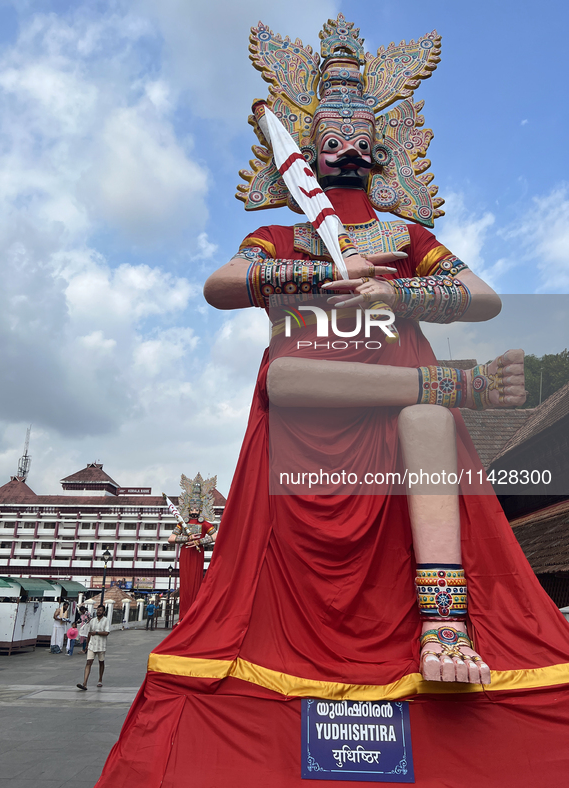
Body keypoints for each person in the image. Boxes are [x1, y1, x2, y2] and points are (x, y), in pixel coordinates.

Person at [97, 15, 569, 786]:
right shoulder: (283, 238)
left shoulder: (405, 234)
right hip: (308, 408)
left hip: (396, 412)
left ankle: (444, 626)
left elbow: (477, 296)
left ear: (381, 146)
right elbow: (219, 286)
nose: (343, 149)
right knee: (290, 384)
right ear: (308, 145)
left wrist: (396, 286)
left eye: (357, 135)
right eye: (328, 135)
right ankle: (458, 385)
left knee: (423, 422)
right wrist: (317, 279)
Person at [167, 474, 218, 621]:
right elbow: (171, 538)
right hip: (185, 553)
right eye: (192, 506)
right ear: (188, 506)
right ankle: (183, 616)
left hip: (197, 553)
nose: (194, 509)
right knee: (185, 584)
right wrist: (186, 538)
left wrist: (201, 541)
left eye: (197, 507)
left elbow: (216, 536)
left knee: (196, 582)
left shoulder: (204, 523)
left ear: (201, 507)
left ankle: (193, 616)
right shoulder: (182, 523)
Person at [77, 604, 109, 690]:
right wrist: (87, 645)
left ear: (104, 612)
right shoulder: (92, 621)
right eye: (98, 610)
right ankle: (85, 683)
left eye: (100, 610)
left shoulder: (106, 621)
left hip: (101, 645)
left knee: (101, 662)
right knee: (88, 662)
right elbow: (89, 633)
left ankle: (100, 679)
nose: (98, 612)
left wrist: (97, 633)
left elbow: (106, 632)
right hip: (92, 645)